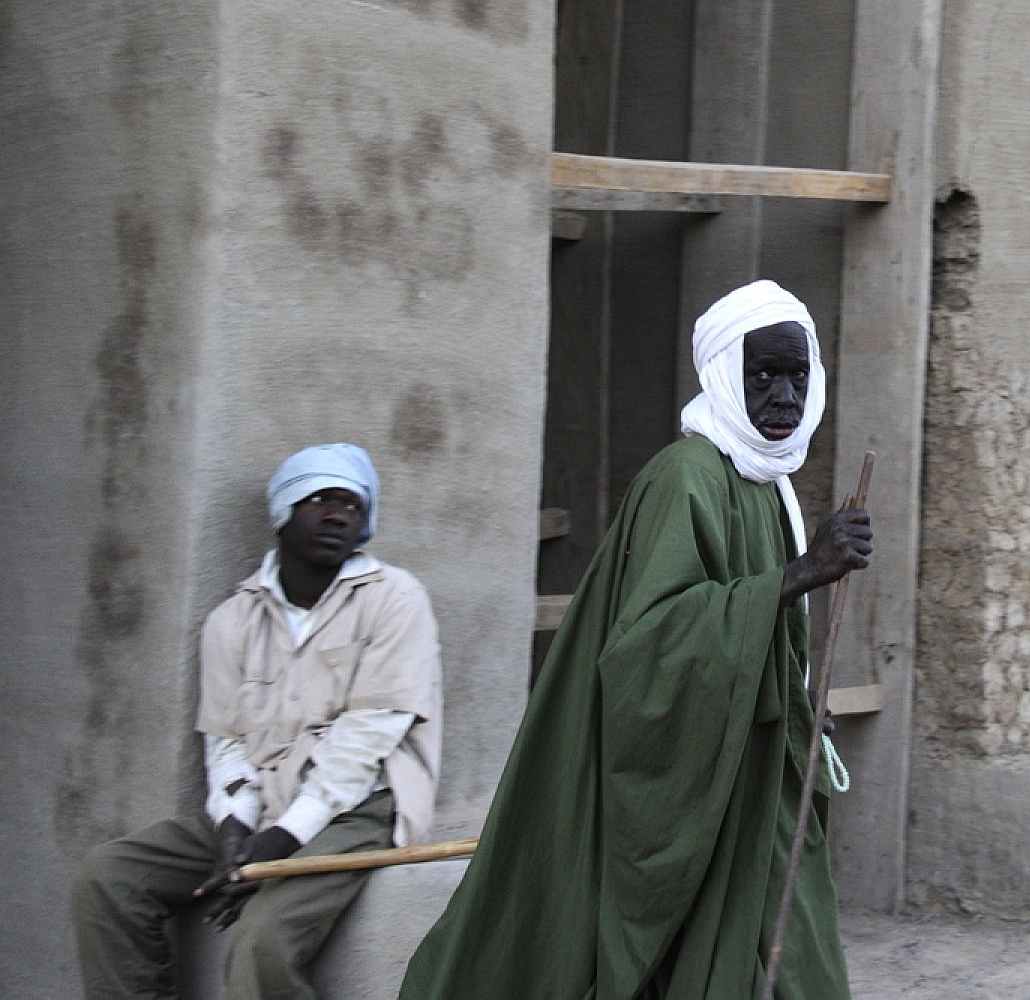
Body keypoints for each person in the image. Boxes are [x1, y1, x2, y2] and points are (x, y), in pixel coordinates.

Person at [400, 280, 872, 999]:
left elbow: (762, 631)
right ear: (722, 377)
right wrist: (805, 572)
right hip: (687, 777)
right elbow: (648, 646)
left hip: (750, 772)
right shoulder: (684, 479)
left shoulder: (767, 483)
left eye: (797, 376)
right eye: (762, 377)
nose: (784, 397)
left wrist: (800, 699)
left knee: (792, 948)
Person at [72, 443, 443, 1000]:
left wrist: (278, 842)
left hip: (360, 809)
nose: (339, 515)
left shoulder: (394, 599)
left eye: (352, 505)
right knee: (108, 878)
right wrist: (232, 830)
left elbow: (365, 741)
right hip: (263, 807)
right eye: (319, 500)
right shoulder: (232, 619)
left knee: (262, 939)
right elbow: (227, 741)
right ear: (283, 511)